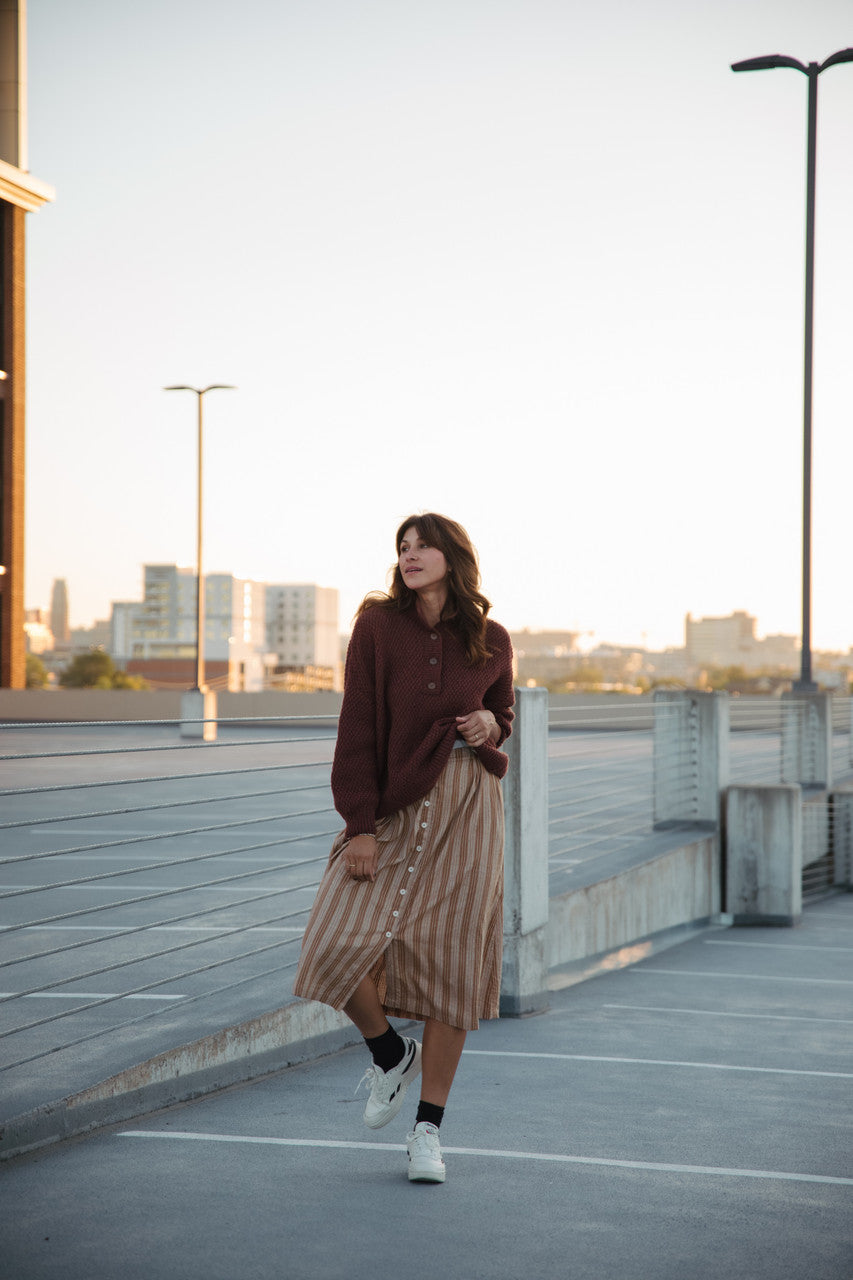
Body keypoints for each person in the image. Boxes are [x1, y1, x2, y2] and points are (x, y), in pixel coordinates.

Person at [293, 512, 515, 1184]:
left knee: (453, 967)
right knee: (331, 943)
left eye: (423, 545)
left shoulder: (492, 638)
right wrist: (358, 824)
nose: (410, 554)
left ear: (453, 557)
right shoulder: (377, 627)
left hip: (469, 807)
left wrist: (489, 723)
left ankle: (427, 1133)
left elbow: (502, 718)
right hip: (392, 808)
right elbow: (356, 726)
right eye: (403, 546)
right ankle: (390, 1055)